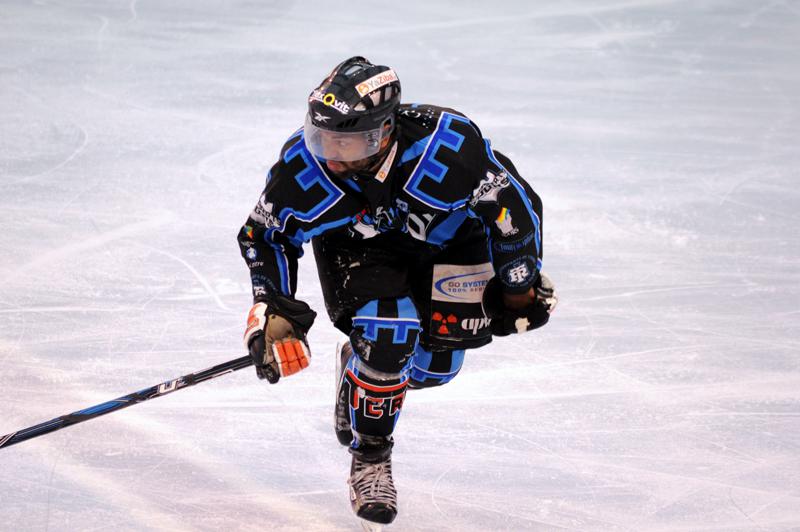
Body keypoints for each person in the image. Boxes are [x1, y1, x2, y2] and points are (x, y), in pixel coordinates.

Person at [238, 56, 557, 526]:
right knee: (390, 335)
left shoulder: (448, 148)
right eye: (321, 137)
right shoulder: (304, 167)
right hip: (360, 250)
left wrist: (518, 285)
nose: (330, 155)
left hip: (450, 243)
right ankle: (370, 457)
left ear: (383, 132)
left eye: (345, 142)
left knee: (433, 369)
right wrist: (273, 306)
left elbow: (514, 212)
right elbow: (264, 236)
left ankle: (359, 366)